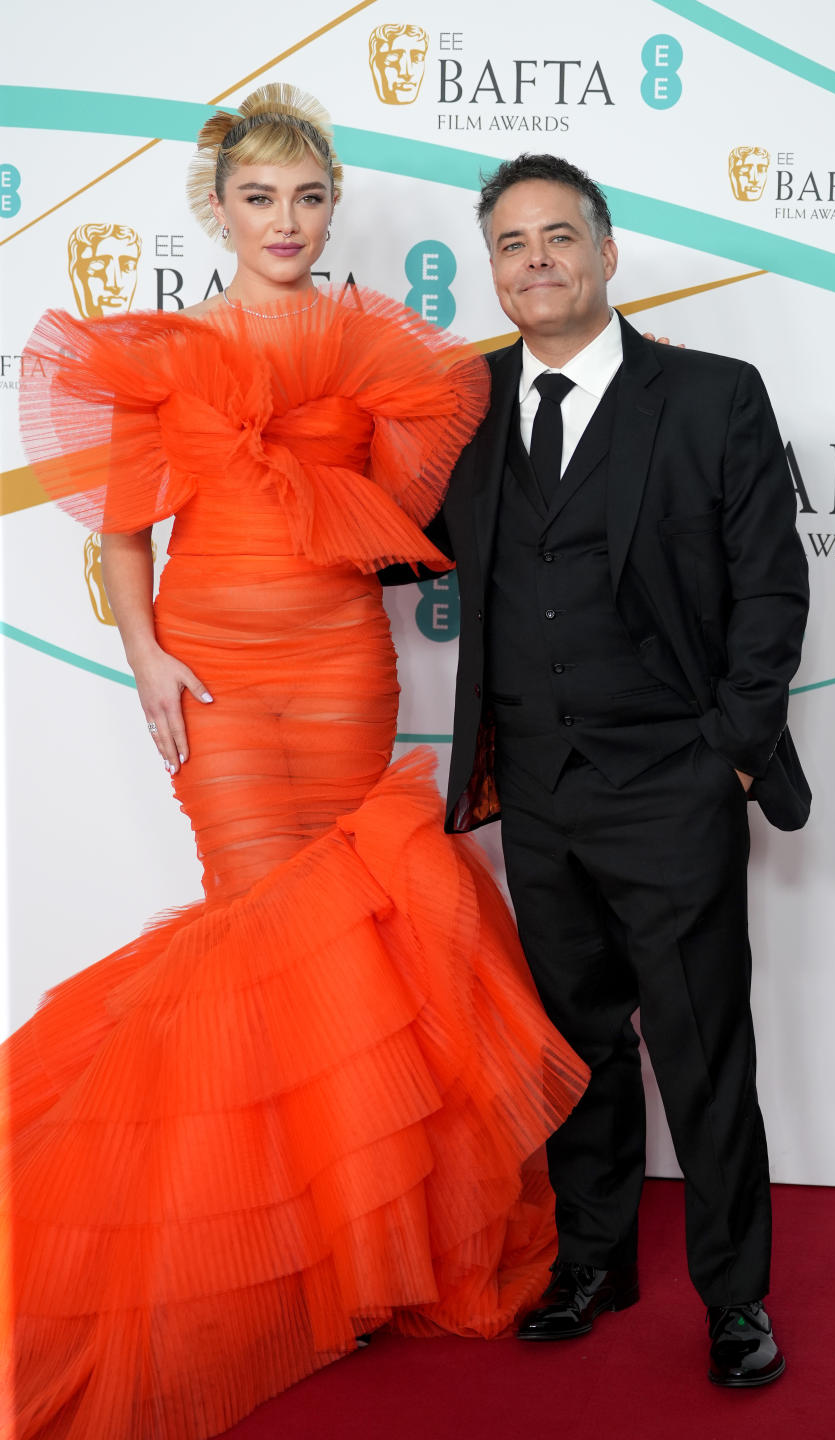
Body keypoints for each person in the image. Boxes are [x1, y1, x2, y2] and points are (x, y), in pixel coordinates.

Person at [5, 92, 588, 1439]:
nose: (285, 222)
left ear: (332, 209)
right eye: (260, 199)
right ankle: (250, 1250)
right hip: (213, 680)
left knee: (338, 948)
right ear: (217, 207)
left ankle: (346, 1254)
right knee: (248, 942)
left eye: (308, 199)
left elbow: (405, 502)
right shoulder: (165, 350)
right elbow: (125, 532)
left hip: (340, 674)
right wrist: (146, 659)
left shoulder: (380, 350)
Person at [420, 153, 810, 1386]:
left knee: (703, 1048)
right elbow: (384, 539)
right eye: (510, 245)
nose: (535, 261)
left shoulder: (709, 397)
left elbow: (772, 590)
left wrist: (728, 756)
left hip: (672, 781)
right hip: (532, 785)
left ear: (605, 251)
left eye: (557, 238)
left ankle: (736, 1298)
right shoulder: (463, 405)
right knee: (575, 1040)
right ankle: (592, 1258)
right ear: (493, 270)